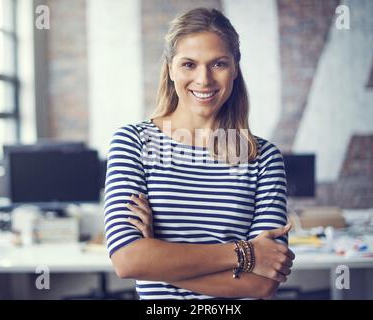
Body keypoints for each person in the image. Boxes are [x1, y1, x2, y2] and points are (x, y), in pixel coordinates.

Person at [104, 7, 294, 300]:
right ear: (170, 68)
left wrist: (156, 257)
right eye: (189, 64)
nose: (203, 80)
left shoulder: (263, 157)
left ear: (235, 67)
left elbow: (263, 284)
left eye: (218, 64)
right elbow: (128, 261)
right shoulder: (134, 143)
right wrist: (246, 252)